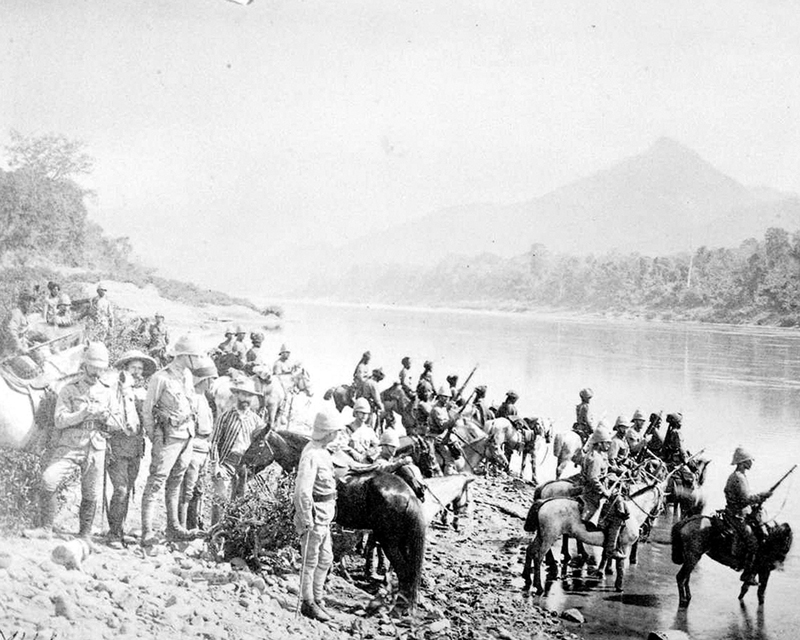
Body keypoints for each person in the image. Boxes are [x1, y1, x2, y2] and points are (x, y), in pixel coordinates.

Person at [28, 343, 123, 540]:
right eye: (93, 367)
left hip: (96, 445)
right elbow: (59, 420)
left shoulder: (108, 391)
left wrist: (106, 418)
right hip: (70, 444)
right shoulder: (69, 389)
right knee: (49, 479)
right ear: (85, 365)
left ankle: (85, 535)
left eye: (101, 369)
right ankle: (46, 529)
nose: (97, 373)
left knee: (91, 492)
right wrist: (83, 413)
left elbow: (118, 424)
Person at [140, 334, 206, 545]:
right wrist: (155, 437)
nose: (196, 361)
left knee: (176, 481)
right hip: (168, 436)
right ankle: (147, 531)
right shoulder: (161, 378)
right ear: (184, 356)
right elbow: (147, 411)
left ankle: (174, 527)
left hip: (186, 435)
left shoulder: (186, 376)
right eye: (194, 356)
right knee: (156, 480)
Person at [294, 409, 347, 622]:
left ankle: (318, 599)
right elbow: (302, 491)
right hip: (315, 516)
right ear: (328, 432)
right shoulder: (312, 455)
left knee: (326, 558)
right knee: (310, 560)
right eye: (336, 431)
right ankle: (307, 602)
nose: (338, 435)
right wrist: (306, 517)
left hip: (325, 516)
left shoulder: (324, 451)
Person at [106, 349, 157, 547]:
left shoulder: (143, 393)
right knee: (120, 489)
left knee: (127, 490)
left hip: (136, 449)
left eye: (140, 369)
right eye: (134, 367)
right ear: (124, 369)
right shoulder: (113, 391)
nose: (137, 372)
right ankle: (113, 534)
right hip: (116, 447)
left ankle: (119, 529)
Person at [210, 378, 265, 525]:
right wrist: (216, 465)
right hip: (226, 462)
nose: (246, 399)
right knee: (220, 499)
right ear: (236, 395)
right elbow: (214, 442)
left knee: (239, 502)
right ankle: (213, 536)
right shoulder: (226, 417)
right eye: (243, 395)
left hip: (244, 465)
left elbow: (261, 445)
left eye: (249, 396)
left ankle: (230, 535)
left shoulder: (256, 421)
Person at [724, 446, 773, 586]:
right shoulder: (738, 478)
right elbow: (745, 500)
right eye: (749, 460)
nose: (751, 463)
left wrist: (759, 499)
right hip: (736, 515)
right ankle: (747, 574)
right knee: (753, 542)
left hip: (740, 511)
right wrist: (762, 495)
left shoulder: (740, 476)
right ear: (742, 462)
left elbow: (745, 499)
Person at [179, 359, 218, 530]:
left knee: (198, 489)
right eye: (211, 380)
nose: (213, 384)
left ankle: (193, 524)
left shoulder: (204, 399)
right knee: (188, 489)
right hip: (193, 447)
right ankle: (181, 527)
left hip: (204, 448)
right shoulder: (193, 398)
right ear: (204, 380)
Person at [579, 425, 626, 565]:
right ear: (599, 444)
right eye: (606, 443)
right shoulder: (595, 458)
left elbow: (606, 467)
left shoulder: (599, 455)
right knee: (618, 516)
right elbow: (593, 479)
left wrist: (616, 470)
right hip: (593, 493)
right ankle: (611, 549)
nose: (609, 445)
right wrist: (604, 491)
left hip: (595, 489)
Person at [346, 398, 379, 462]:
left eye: (366, 413)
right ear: (355, 413)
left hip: (366, 462)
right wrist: (353, 452)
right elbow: (342, 446)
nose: (364, 415)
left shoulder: (369, 431)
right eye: (362, 413)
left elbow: (378, 446)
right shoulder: (347, 429)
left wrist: (371, 452)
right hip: (352, 463)